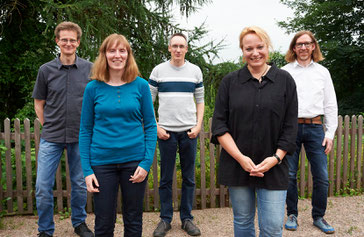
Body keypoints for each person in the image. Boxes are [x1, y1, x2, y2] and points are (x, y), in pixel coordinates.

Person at [211, 26, 298, 237]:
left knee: (272, 226)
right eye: (249, 48)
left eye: (260, 47)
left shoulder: (285, 81)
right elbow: (220, 126)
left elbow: (290, 126)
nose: (255, 52)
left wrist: (276, 158)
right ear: (242, 51)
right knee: (242, 221)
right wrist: (241, 158)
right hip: (238, 164)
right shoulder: (230, 82)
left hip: (274, 166)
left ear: (268, 48)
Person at [79, 33, 157, 237]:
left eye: (122, 50)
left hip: (134, 163)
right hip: (102, 163)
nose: (117, 55)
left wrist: (146, 163)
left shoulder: (141, 85)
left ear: (128, 55)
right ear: (104, 55)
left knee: (133, 219)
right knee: (103, 222)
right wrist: (87, 170)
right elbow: (85, 130)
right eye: (111, 50)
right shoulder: (92, 88)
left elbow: (150, 125)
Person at [32, 21, 93, 237]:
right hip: (51, 137)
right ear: (57, 41)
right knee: (42, 186)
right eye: (64, 39)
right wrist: (46, 123)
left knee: (78, 184)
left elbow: (97, 100)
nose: (68, 43)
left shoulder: (90, 69)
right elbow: (39, 102)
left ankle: (79, 223)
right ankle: (45, 230)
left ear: (78, 42)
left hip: (80, 137)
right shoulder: (45, 70)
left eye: (72, 40)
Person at [282, 31, 338, 234]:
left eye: (307, 44)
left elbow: (330, 104)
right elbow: (279, 104)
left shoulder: (323, 72)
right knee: (289, 175)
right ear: (294, 48)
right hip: (291, 128)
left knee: (322, 176)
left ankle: (318, 216)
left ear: (313, 46)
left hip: (316, 128)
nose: (303, 48)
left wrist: (330, 133)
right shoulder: (285, 72)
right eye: (299, 44)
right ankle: (292, 214)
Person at [149, 33, 204, 237]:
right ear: (169, 48)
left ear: (187, 49)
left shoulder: (195, 71)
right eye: (175, 46)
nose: (178, 49)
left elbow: (200, 100)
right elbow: (148, 101)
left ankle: (187, 219)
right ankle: (165, 220)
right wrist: (156, 126)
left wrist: (198, 125)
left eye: (182, 46)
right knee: (165, 178)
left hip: (189, 132)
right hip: (166, 133)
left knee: (189, 177)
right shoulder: (158, 71)